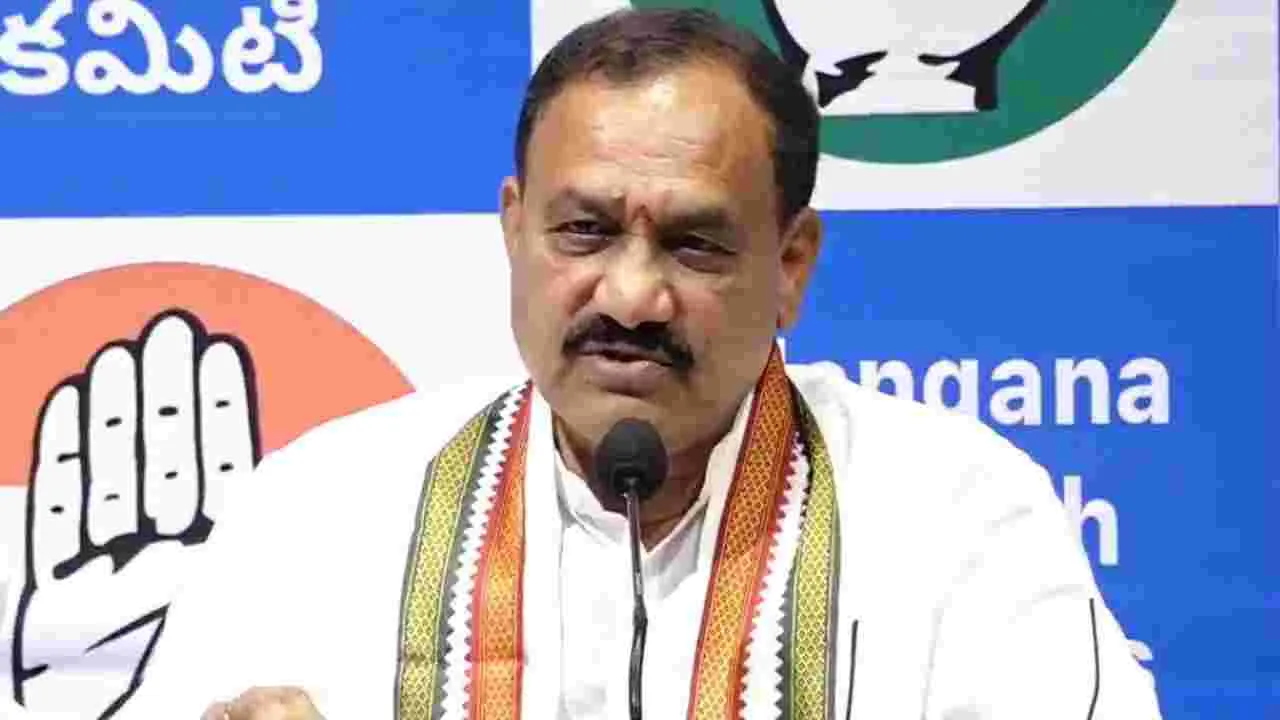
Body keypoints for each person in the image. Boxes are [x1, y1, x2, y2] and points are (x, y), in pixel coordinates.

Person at [110, 8, 1161, 719]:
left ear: (791, 264)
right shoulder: (319, 508)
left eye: (694, 244)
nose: (629, 296)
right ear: (513, 229)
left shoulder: (956, 516)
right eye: (584, 231)